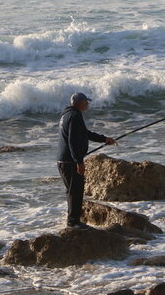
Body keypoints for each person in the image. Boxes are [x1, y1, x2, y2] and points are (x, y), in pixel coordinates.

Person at [57, 92, 116, 230]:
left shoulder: (66, 114)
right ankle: (73, 222)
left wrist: (104, 139)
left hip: (63, 160)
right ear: (80, 103)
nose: (88, 104)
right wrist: (79, 161)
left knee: (72, 191)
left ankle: (73, 220)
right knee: (76, 191)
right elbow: (72, 141)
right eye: (86, 102)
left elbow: (85, 133)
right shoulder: (75, 116)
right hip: (70, 161)